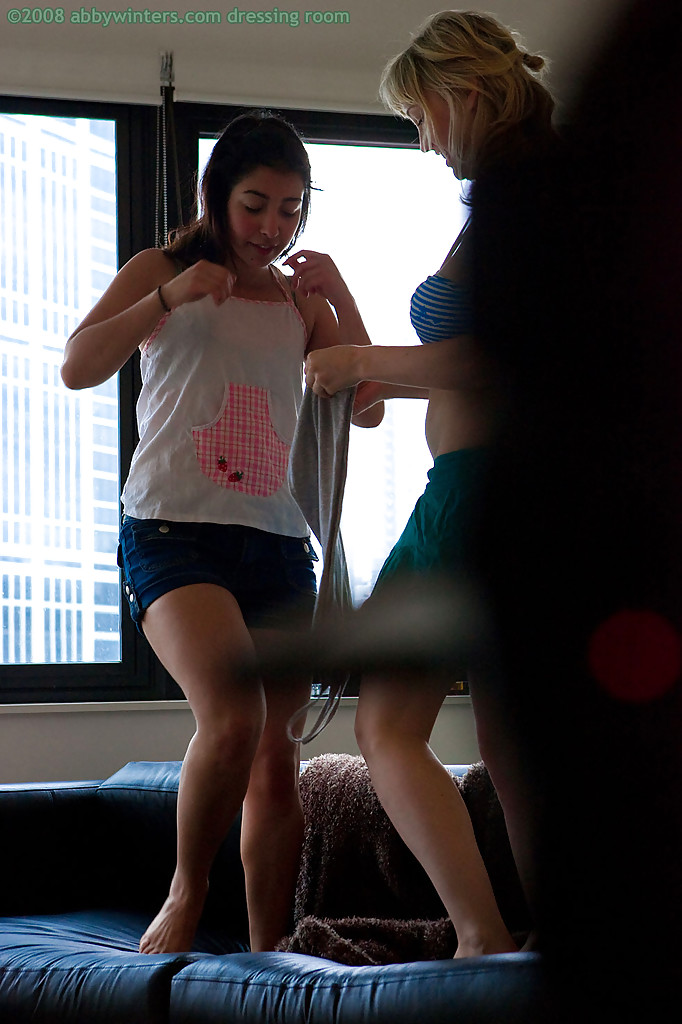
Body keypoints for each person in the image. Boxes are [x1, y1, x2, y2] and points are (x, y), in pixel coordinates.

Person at [60, 112, 382, 955]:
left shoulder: (299, 301)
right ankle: (187, 889)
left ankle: (267, 954)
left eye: (291, 208)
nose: (273, 227)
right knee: (234, 720)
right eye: (255, 205)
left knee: (277, 758)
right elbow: (77, 366)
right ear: (217, 196)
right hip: (171, 531)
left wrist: (341, 295)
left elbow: (370, 407)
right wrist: (166, 299)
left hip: (278, 544)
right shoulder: (161, 270)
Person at [294, 10, 558, 957]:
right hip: (482, 490)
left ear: (465, 94)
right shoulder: (503, 206)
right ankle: (526, 941)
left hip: (478, 494)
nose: (424, 138)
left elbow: (502, 359)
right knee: (507, 745)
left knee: (389, 723)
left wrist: (366, 357)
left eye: (420, 115)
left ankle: (486, 934)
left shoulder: (531, 205)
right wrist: (351, 336)